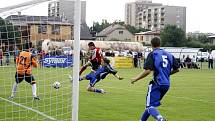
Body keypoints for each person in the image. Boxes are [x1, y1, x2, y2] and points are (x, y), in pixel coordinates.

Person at [131, 37, 179, 121]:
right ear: (160, 44)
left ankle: (160, 119)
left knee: (150, 106)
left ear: (151, 44)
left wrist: (136, 79)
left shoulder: (153, 54)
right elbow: (177, 69)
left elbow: (147, 71)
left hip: (157, 83)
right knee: (150, 105)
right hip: (166, 85)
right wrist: (167, 74)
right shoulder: (169, 54)